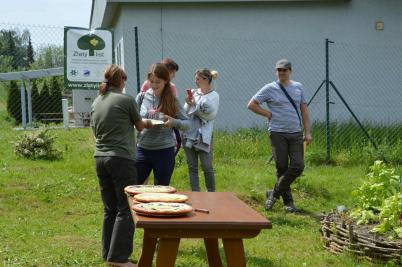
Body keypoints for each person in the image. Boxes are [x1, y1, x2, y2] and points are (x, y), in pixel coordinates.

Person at [91, 64, 153, 267]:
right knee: (125, 208)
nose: (125, 84)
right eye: (124, 80)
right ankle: (119, 258)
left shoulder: (97, 101)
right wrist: (150, 123)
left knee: (110, 209)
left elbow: (95, 130)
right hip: (121, 159)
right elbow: (140, 126)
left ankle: (108, 253)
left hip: (100, 158)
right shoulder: (126, 100)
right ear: (121, 81)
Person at [247, 59, 312, 212]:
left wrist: (307, 132)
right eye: (279, 70)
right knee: (281, 167)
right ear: (276, 72)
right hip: (277, 133)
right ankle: (289, 203)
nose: (281, 72)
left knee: (298, 166)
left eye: (284, 70)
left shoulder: (298, 87)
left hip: (296, 132)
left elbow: (304, 110)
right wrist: (267, 114)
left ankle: (274, 194)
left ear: (290, 71)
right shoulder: (269, 88)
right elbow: (251, 104)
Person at [135, 63, 190, 186]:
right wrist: (140, 122)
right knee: (134, 188)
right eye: (151, 81)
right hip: (142, 149)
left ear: (166, 81)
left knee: (161, 191)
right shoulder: (141, 97)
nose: (154, 85)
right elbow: (131, 119)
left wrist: (174, 122)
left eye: (158, 82)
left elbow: (188, 123)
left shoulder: (172, 100)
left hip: (164, 151)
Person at [182, 69, 219, 192]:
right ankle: (196, 193)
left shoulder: (214, 95)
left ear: (206, 80)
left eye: (198, 78)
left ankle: (211, 193)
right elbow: (185, 113)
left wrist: (195, 108)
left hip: (204, 136)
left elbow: (210, 116)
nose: (195, 81)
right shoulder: (193, 92)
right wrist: (188, 103)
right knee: (192, 166)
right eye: (195, 78)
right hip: (188, 134)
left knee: (207, 166)